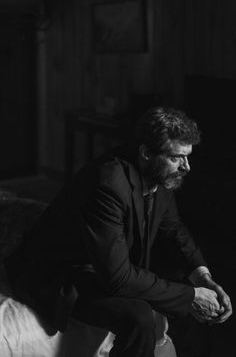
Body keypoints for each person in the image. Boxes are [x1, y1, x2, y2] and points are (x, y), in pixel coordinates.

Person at [5, 106, 232, 357]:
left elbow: (174, 230)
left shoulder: (159, 173)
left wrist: (203, 279)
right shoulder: (108, 184)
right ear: (146, 153)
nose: (186, 167)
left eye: (187, 156)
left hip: (102, 264)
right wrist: (190, 296)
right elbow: (118, 278)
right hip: (59, 275)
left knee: (177, 292)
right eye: (177, 157)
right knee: (139, 316)